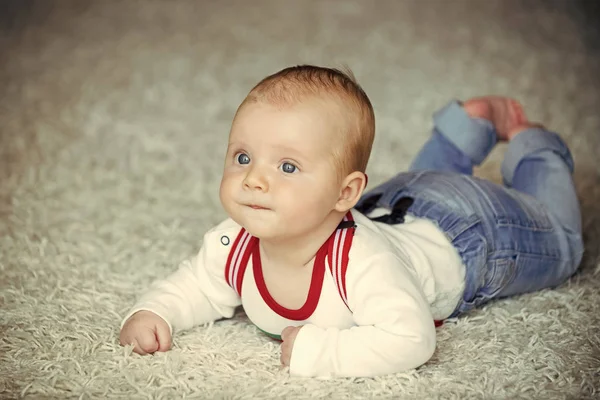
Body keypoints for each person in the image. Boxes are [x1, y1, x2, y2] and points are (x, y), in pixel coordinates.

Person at [119, 65, 584, 378]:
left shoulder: (362, 262)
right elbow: (196, 286)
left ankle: (534, 145)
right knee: (421, 181)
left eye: (286, 167)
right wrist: (154, 311)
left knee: (563, 246)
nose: (254, 180)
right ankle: (466, 126)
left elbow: (411, 338)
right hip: (390, 201)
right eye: (243, 156)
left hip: (469, 231)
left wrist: (321, 353)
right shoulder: (233, 242)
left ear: (344, 192)